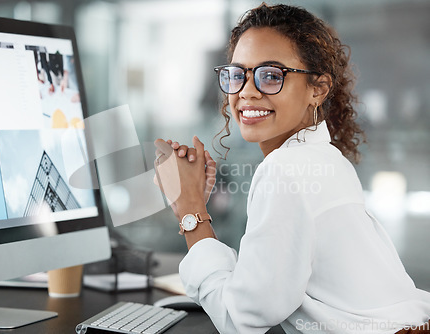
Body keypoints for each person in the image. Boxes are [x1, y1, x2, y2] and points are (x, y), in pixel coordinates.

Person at [153, 3, 430, 334]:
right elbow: (267, 286)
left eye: (271, 75)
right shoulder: (326, 160)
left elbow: (241, 318)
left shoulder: (286, 169)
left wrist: (191, 209)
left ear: (318, 89)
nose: (247, 92)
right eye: (237, 75)